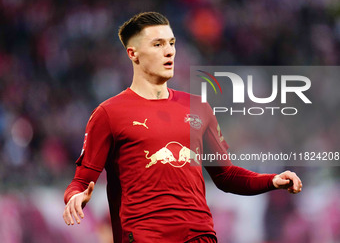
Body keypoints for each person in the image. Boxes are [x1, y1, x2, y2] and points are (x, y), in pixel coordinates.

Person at [63, 12, 302, 243]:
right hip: (145, 236)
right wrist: (74, 197)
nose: (169, 51)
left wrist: (271, 180)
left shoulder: (198, 107)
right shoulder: (108, 114)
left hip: (199, 235)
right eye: (157, 44)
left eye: (172, 43)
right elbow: (81, 181)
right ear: (133, 54)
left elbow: (226, 176)